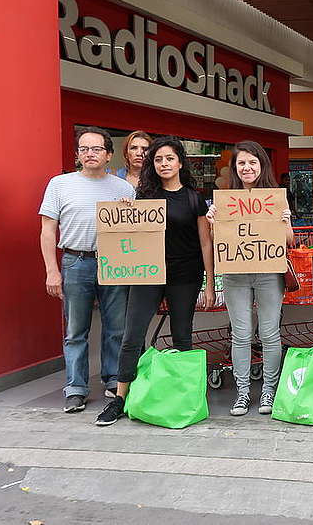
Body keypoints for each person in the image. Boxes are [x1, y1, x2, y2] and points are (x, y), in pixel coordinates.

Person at [96, 137, 216, 426]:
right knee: (132, 335)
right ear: (153, 164)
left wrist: (210, 282)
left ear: (180, 162)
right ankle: (120, 399)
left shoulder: (194, 198)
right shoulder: (144, 197)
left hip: (185, 275)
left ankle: (182, 395)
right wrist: (126, 210)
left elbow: (205, 243)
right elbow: (130, 235)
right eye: (158, 159)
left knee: (182, 336)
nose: (164, 163)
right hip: (147, 273)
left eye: (169, 158)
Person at [40, 126, 136, 413]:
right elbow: (47, 230)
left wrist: (129, 211)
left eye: (96, 149)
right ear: (77, 154)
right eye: (83, 148)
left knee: (116, 326)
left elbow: (134, 231)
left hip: (114, 261)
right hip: (75, 261)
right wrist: (51, 270)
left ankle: (113, 380)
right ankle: (76, 388)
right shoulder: (59, 184)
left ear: (108, 155)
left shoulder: (124, 188)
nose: (89, 153)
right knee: (75, 329)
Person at [210, 142, 295, 416]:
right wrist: (213, 223)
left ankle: (269, 391)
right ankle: (243, 393)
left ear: (262, 166)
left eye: (253, 163)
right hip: (236, 274)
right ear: (235, 168)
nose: (247, 168)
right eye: (242, 163)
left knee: (270, 333)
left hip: (269, 272)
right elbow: (217, 242)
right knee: (241, 334)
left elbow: (289, 241)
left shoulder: (275, 199)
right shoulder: (225, 200)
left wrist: (285, 221)